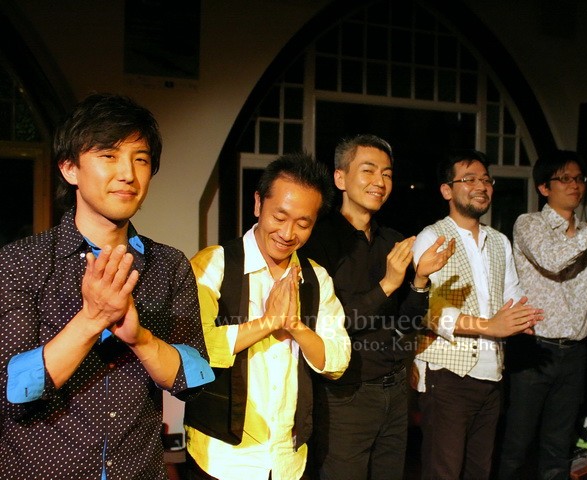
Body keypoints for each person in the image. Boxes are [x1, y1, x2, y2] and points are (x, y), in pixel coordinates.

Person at [0, 93, 214, 479]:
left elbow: (193, 378)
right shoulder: (21, 262)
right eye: (109, 155)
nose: (128, 174)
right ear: (70, 168)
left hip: (138, 470)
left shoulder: (169, 265)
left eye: (141, 159)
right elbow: (11, 391)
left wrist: (141, 339)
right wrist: (92, 319)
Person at [184, 153, 351, 480]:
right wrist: (267, 323)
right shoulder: (214, 264)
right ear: (258, 203)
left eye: (303, 224)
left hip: (288, 460)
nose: (288, 233)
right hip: (222, 457)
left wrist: (294, 326)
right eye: (280, 216)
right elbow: (192, 346)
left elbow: (337, 360)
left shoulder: (316, 278)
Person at [301, 134, 454, 480]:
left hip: (394, 391)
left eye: (387, 174)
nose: (380, 182)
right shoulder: (318, 241)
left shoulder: (393, 241)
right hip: (344, 395)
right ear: (340, 178)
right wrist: (387, 284)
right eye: (368, 170)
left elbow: (405, 326)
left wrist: (420, 280)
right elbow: (327, 324)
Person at [497, 150, 587, 480]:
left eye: (579, 179)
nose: (574, 185)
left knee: (558, 446)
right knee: (517, 444)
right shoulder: (529, 224)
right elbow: (553, 259)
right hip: (534, 350)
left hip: (575, 352)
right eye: (565, 179)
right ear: (544, 187)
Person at [411, 149, 543, 480]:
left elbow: (511, 294)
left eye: (486, 180)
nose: (481, 186)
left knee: (479, 472)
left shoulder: (499, 241)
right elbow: (429, 312)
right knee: (443, 472)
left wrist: (521, 319)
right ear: (447, 190)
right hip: (447, 377)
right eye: (469, 179)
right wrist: (489, 326)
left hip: (492, 375)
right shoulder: (432, 237)